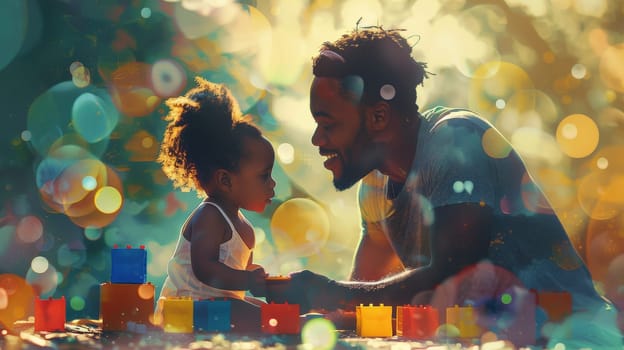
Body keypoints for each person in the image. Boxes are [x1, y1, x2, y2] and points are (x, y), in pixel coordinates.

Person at [273, 27, 622, 347]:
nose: (318, 139)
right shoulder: (375, 190)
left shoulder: (456, 140)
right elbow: (361, 299)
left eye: (327, 123)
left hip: (576, 336)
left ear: (379, 117)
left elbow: (450, 270)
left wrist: (330, 293)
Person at [155, 77, 275, 332]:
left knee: (252, 307)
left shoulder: (246, 229)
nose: (272, 184)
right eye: (264, 176)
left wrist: (260, 279)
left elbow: (234, 276)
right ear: (225, 180)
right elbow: (205, 269)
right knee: (240, 309)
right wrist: (248, 279)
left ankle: (281, 319)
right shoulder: (210, 216)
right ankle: (283, 323)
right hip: (185, 310)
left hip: (217, 308)